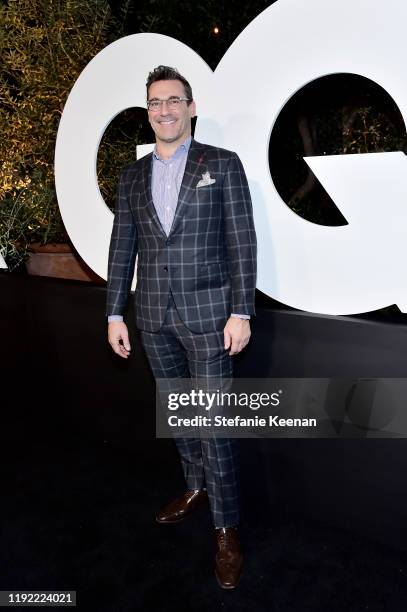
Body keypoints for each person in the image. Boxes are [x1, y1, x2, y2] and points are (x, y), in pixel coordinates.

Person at [106, 65, 257, 589]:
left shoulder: (223, 165)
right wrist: (113, 312)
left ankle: (226, 527)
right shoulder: (131, 176)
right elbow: (122, 247)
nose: (164, 110)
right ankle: (194, 488)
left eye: (174, 100)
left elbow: (242, 242)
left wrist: (243, 311)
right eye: (155, 102)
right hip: (152, 317)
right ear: (147, 112)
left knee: (215, 425)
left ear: (191, 108)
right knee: (179, 414)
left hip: (212, 319)